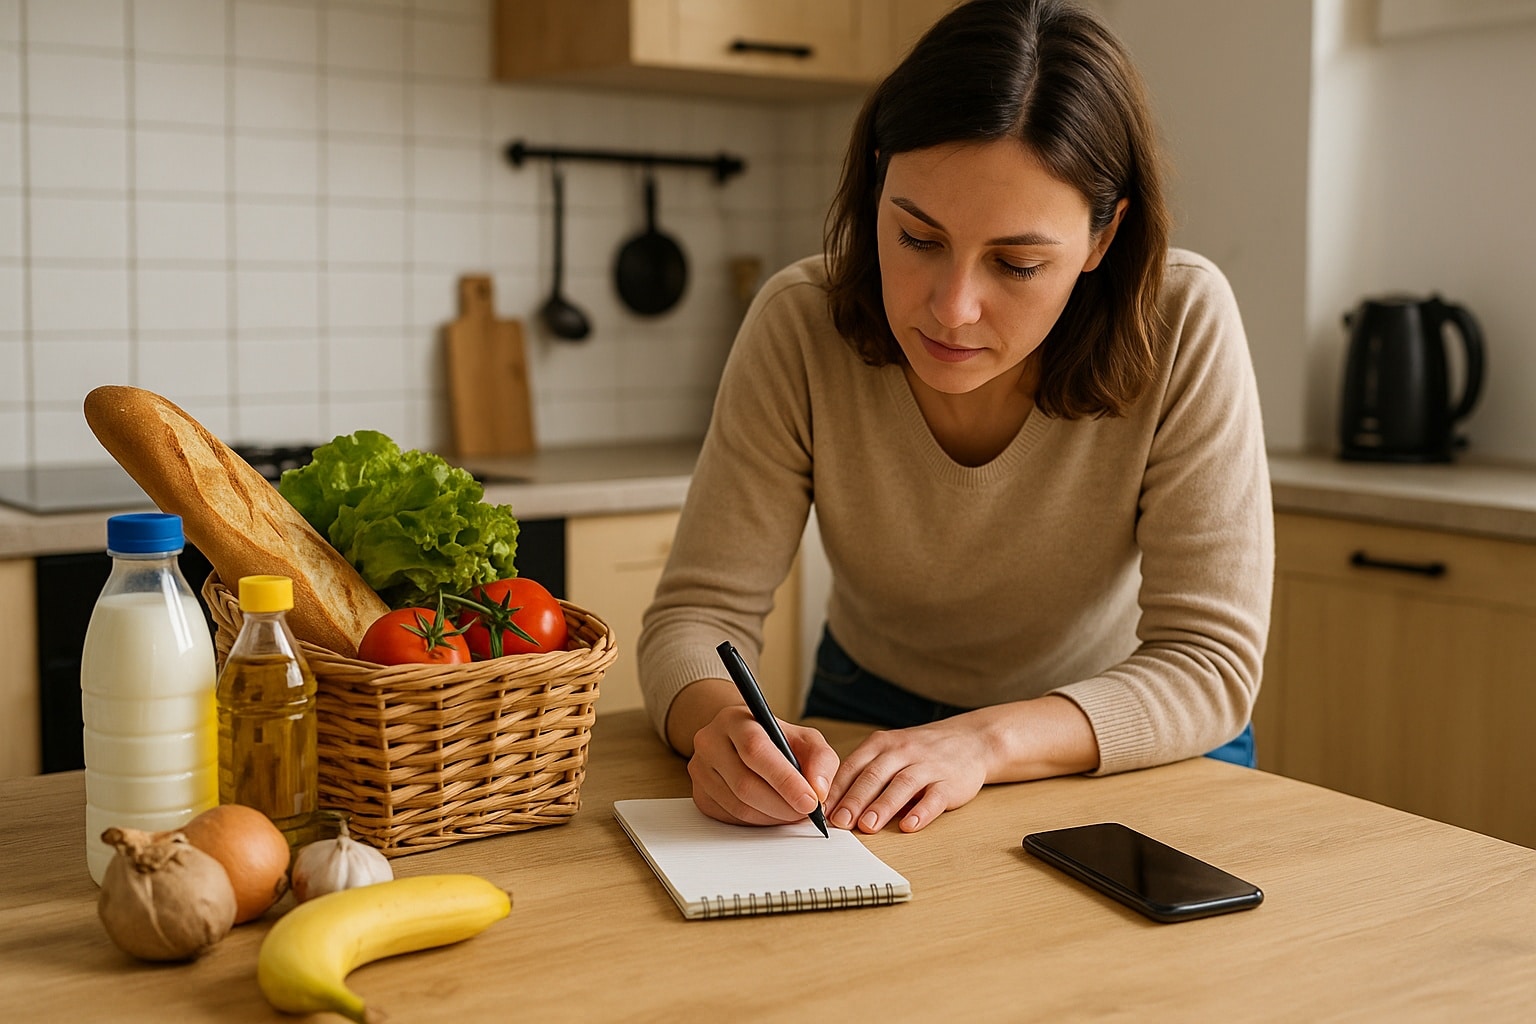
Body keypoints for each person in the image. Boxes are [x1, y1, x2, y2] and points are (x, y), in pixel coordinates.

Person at [636, 0, 1273, 836]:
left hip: (1115, 730)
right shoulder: (800, 323)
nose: (953, 309)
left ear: (1103, 238)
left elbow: (1209, 666)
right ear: (875, 188)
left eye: (1016, 263)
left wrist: (984, 741)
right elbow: (696, 617)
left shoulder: (1182, 321)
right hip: (873, 715)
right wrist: (717, 725)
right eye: (917, 239)